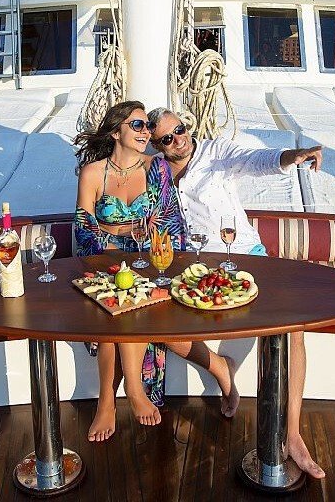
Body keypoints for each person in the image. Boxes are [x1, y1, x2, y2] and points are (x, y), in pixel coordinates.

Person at [147, 107, 327, 479]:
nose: (178, 138)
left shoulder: (214, 154)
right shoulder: (156, 172)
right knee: (152, 323)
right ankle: (222, 372)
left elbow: (254, 160)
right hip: (193, 269)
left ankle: (292, 434)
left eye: (179, 129)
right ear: (157, 145)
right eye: (167, 138)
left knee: (293, 327)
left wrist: (290, 157)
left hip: (246, 258)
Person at [73, 101, 237, 442]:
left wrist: (142, 238)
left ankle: (112, 400)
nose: (146, 132)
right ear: (116, 131)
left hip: (151, 261)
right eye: (137, 125)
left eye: (147, 127)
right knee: (117, 299)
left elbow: (170, 222)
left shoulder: (156, 168)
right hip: (106, 260)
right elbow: (83, 227)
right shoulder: (93, 172)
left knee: (128, 301)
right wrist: (119, 237)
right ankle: (126, 394)